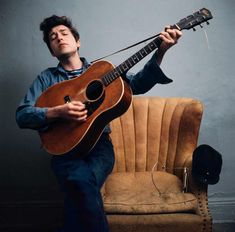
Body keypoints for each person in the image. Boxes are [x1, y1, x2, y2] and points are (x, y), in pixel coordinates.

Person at [15, 15, 182, 232]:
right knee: (80, 182)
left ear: (77, 42)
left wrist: (160, 51)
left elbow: (138, 84)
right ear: (52, 51)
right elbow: (22, 115)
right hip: (63, 152)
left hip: (99, 148)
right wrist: (57, 111)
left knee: (79, 184)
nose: (59, 38)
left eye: (64, 33)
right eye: (52, 37)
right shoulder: (46, 79)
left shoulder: (102, 71)